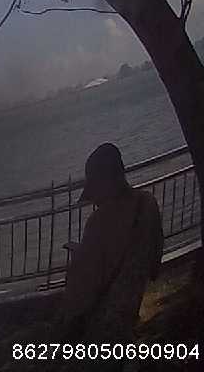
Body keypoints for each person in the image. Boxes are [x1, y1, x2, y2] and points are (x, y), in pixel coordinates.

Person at [57, 143, 163, 350]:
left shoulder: (98, 222)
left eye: (95, 189)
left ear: (104, 183)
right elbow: (154, 265)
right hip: (130, 307)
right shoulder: (147, 203)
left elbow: (84, 288)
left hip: (99, 321)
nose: (94, 201)